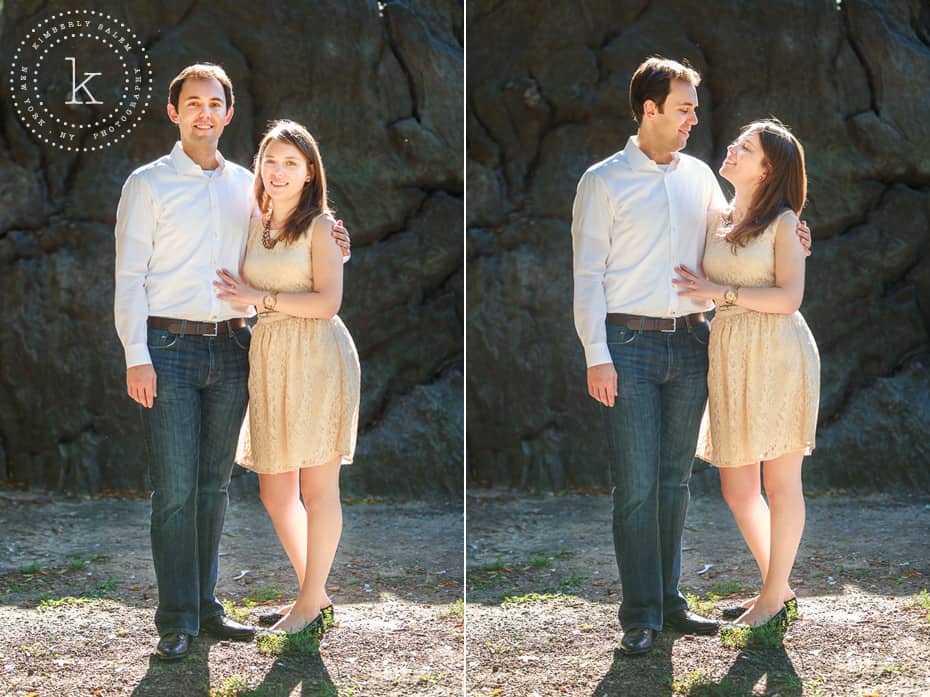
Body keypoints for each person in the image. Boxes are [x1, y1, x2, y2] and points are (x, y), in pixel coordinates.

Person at [570, 57, 811, 656]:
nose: (693, 120)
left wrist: (799, 234)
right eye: (683, 108)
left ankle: (671, 605)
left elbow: (747, 232)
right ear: (649, 110)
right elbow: (585, 276)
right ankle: (641, 614)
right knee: (635, 484)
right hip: (626, 346)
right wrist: (595, 354)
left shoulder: (702, 177)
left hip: (695, 342)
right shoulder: (601, 181)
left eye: (694, 109)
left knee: (674, 481)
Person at [114, 64, 349, 660]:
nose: (203, 113)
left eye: (214, 103)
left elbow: (298, 234)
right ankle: (176, 620)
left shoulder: (249, 185)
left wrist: (339, 240)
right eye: (192, 103)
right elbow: (127, 278)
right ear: (175, 113)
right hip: (167, 349)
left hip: (236, 346)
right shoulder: (146, 184)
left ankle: (208, 610)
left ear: (228, 113)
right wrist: (135, 356)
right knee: (174, 490)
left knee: (214, 487)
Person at [214, 120, 360, 636]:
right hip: (270, 355)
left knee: (319, 490)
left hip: (318, 355)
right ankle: (314, 595)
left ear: (310, 171)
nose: (278, 172)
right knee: (276, 494)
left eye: (291, 163)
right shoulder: (253, 222)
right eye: (270, 161)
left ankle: (305, 603)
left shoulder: (321, 226)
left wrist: (260, 299)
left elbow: (328, 303)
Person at [674, 119, 819, 629]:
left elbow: (789, 299)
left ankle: (771, 598)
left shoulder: (785, 224)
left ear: (768, 167)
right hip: (730, 352)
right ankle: (779, 590)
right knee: (738, 489)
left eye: (745, 147)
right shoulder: (717, 214)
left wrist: (720, 293)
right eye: (736, 143)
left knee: (780, 484)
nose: (732, 149)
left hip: (779, 352)